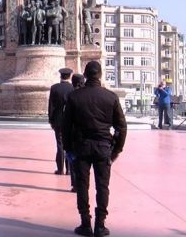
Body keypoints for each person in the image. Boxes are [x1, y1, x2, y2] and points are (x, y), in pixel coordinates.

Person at [63, 61, 127, 237]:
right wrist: (116, 150)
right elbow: (122, 127)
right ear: (100, 75)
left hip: (81, 148)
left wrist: (69, 150)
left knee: (82, 186)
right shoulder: (111, 97)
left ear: (85, 74)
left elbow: (66, 127)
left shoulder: (75, 97)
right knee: (103, 186)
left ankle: (85, 223)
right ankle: (100, 225)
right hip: (103, 147)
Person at [48, 68, 74, 175]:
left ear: (61, 76)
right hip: (70, 121)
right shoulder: (73, 88)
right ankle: (69, 169)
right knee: (69, 144)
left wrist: (51, 120)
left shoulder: (54, 88)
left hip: (58, 120)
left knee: (60, 144)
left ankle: (60, 169)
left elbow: (51, 106)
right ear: (69, 76)